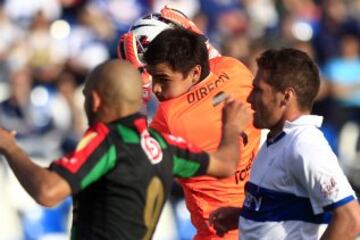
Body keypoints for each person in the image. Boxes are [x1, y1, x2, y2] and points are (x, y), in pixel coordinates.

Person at [0, 60, 251, 240]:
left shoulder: (107, 140)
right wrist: (230, 126)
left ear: (96, 100)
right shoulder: (164, 144)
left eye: (86, 96)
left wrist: (10, 147)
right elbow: (225, 164)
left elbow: (48, 191)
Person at [209, 48, 360, 239]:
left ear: (286, 97)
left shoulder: (304, 144)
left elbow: (351, 219)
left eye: (258, 90)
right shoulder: (276, 140)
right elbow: (284, 211)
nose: (249, 98)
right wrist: (242, 216)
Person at [143, 28, 260, 239]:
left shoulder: (171, 116)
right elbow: (211, 62)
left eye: (163, 79)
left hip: (219, 231)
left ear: (195, 73)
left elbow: (137, 156)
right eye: (151, 78)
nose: (155, 88)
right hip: (260, 220)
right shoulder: (235, 69)